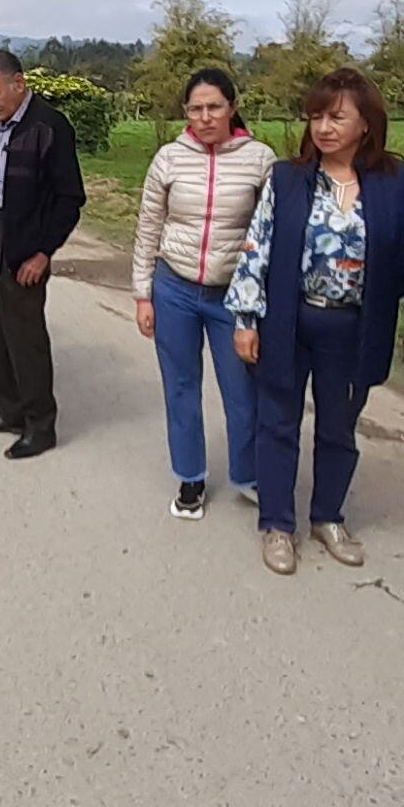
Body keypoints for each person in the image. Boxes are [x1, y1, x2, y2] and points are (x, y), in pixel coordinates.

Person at [227, 68, 404, 574]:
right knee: (278, 424)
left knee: (339, 428)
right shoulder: (288, 180)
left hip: (354, 328)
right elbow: (255, 248)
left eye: (337, 116)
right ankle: (277, 525)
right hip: (289, 321)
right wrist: (246, 318)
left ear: (366, 123)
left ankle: (328, 517)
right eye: (316, 116)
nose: (324, 127)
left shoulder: (397, 184)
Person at [131, 68, 274, 520]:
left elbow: (270, 233)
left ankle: (249, 474)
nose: (205, 117)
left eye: (214, 106)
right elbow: (148, 226)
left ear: (232, 106)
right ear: (185, 112)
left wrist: (257, 302)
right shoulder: (169, 158)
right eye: (196, 108)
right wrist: (142, 294)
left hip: (233, 295)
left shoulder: (259, 159)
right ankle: (190, 476)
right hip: (173, 286)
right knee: (180, 385)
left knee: (242, 390)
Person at [0, 49, 87, 460]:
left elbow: (69, 199)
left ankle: (40, 425)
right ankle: (8, 407)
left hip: (23, 244)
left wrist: (43, 252)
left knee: (24, 336)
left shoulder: (48, 127)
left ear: (19, 83)